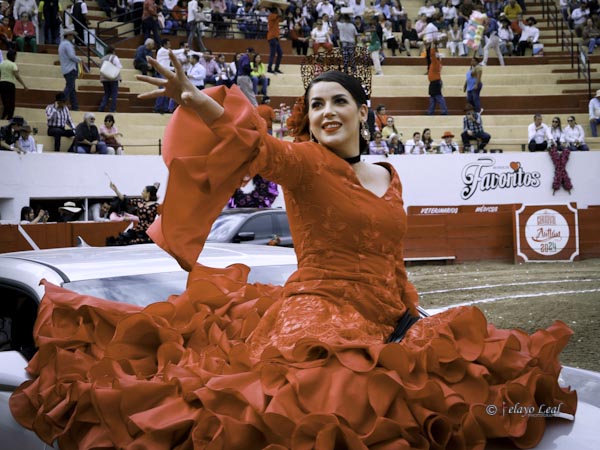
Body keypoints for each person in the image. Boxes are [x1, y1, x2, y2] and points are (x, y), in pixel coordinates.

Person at [9, 50, 577, 450]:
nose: (326, 111)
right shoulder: (303, 162)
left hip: (392, 317)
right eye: (316, 104)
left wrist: (409, 313)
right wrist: (196, 100)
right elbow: (255, 144)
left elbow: (390, 259)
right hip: (320, 311)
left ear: (363, 112)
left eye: (338, 101)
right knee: (324, 398)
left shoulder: (389, 174)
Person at [105, 181, 159, 245]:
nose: (141, 193)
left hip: (148, 232)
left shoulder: (156, 206)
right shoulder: (140, 202)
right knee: (122, 240)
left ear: (148, 193)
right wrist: (115, 190)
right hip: (138, 229)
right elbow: (124, 199)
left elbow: (162, 218)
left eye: (143, 191)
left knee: (136, 242)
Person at [0, 49, 28, 120]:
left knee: (5, 102)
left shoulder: (2, 64)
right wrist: (24, 85)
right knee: (11, 103)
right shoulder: (13, 64)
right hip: (10, 84)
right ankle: (9, 118)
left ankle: (3, 117)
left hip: (2, 84)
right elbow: (17, 76)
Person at [58, 29, 81, 111]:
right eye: (72, 35)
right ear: (68, 35)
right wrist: (79, 59)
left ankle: (75, 106)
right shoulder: (68, 44)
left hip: (65, 68)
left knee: (71, 88)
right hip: (70, 68)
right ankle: (61, 103)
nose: (73, 37)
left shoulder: (61, 44)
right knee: (69, 87)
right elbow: (71, 56)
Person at [426, 43, 448, 115]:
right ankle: (431, 111)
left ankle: (444, 111)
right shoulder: (438, 63)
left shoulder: (435, 62)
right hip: (435, 82)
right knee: (433, 97)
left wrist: (432, 45)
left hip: (435, 82)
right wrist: (435, 47)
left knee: (438, 97)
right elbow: (434, 54)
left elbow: (432, 54)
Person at [98, 46, 122, 113]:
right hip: (113, 78)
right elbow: (119, 66)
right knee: (114, 94)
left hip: (104, 78)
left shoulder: (102, 58)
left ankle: (101, 108)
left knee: (107, 93)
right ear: (113, 51)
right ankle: (112, 109)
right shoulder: (114, 57)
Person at [266, 7, 283, 74]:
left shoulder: (274, 17)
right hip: (272, 37)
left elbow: (281, 17)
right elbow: (280, 15)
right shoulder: (272, 15)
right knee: (273, 54)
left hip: (275, 38)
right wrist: (279, 8)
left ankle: (275, 68)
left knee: (280, 53)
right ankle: (269, 68)